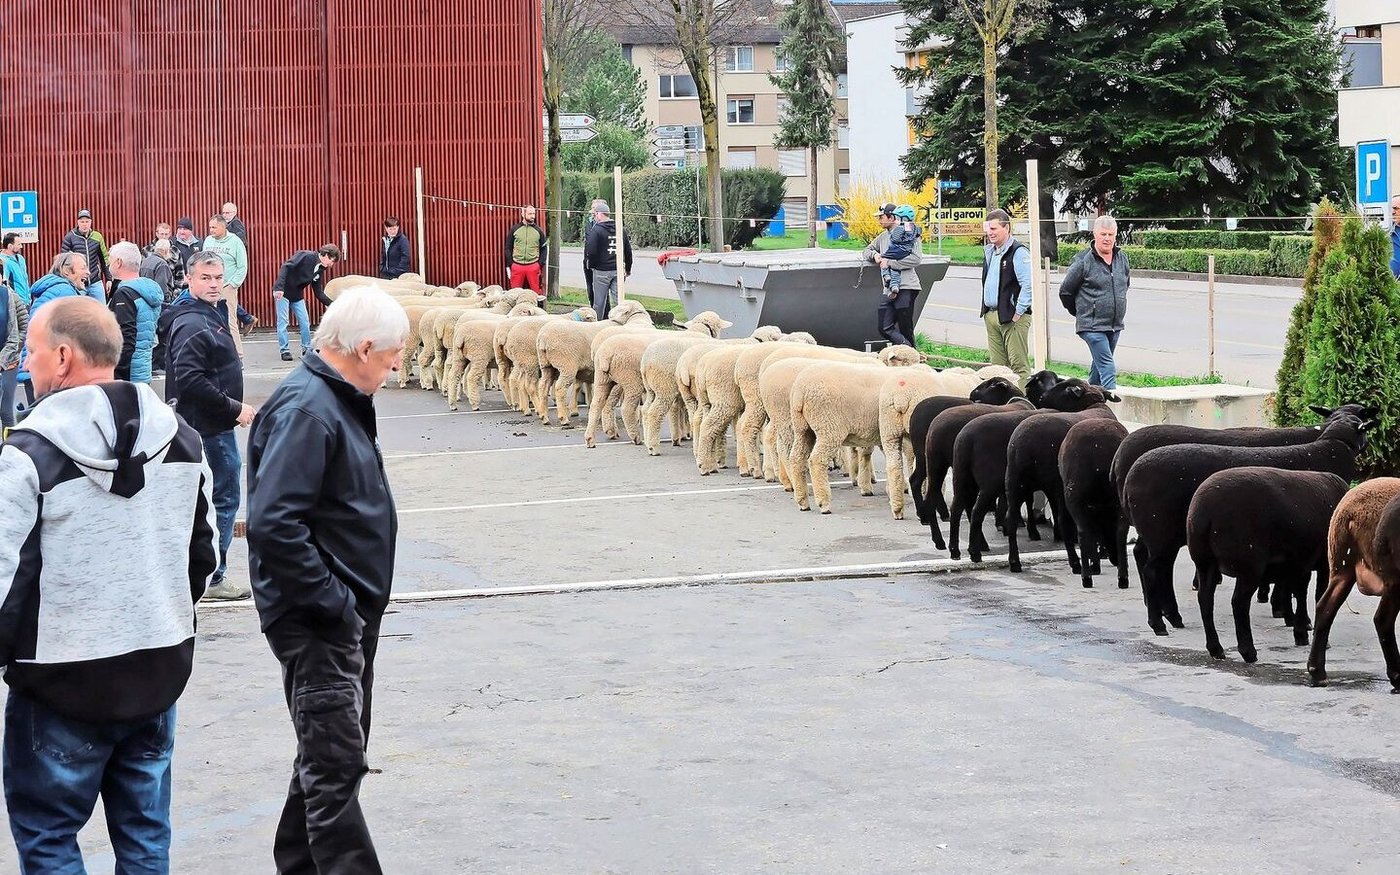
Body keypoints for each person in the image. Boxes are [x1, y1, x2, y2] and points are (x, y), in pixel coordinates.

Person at [0, 296, 217, 873]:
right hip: (157, 669)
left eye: (33, 350)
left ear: (64, 356)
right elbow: (205, 556)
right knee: (145, 836)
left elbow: (3, 578)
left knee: (48, 838)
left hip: (58, 683)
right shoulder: (184, 441)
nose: (27, 363)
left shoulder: (28, 455)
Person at [247, 285, 409, 874]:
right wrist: (333, 603)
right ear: (364, 347)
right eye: (393, 356)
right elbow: (273, 522)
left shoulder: (331, 402)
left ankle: (297, 863)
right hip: (320, 624)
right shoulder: (310, 409)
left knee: (325, 760)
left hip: (339, 620)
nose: (396, 368)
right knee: (335, 766)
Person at [162, 250, 255, 600]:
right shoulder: (191, 321)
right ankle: (213, 576)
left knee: (209, 499)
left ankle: (203, 572)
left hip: (211, 425)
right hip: (208, 428)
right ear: (189, 278)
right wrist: (234, 408)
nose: (214, 284)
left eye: (218, 277)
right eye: (206, 278)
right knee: (221, 498)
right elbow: (189, 380)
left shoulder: (213, 310)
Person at [1058, 215, 1129, 390]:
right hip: (1091, 326)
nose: (1107, 238)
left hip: (1114, 325)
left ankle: (1087, 402)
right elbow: (1065, 291)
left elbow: (1125, 284)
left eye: (1110, 234)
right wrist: (1082, 312)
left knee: (1098, 369)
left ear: (1115, 235)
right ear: (1095, 234)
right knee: (1107, 366)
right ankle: (1111, 406)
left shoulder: (1122, 259)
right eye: (1103, 234)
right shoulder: (1083, 261)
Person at [981, 208, 1033, 387]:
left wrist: (1018, 312)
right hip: (992, 315)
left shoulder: (1018, 252)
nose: (989, 233)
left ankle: (1022, 405)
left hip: (1012, 318)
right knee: (997, 368)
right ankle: (1001, 408)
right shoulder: (989, 251)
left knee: (1018, 366)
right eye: (987, 229)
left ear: (1007, 228)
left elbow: (1029, 284)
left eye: (994, 229)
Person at [863, 202, 923, 349]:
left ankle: (910, 358)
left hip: (907, 286)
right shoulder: (883, 237)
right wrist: (875, 255)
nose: (879, 220)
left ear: (892, 217)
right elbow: (866, 250)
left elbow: (916, 259)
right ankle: (908, 351)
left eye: (881, 217)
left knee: (905, 327)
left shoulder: (909, 232)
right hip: (888, 289)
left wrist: (889, 262)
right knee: (884, 327)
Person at [108, 241, 166, 384]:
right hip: (143, 369)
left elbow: (125, 339)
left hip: (128, 374)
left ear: (118, 262)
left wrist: (116, 374)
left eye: (109, 260)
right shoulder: (148, 291)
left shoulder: (125, 294)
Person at [274, 244, 340, 361]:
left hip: (297, 295)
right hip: (283, 292)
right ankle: (284, 350)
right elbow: (286, 266)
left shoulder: (320, 269)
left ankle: (307, 349)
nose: (331, 265)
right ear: (326, 254)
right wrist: (279, 287)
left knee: (305, 321)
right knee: (283, 321)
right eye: (332, 260)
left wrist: (333, 304)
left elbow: (318, 292)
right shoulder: (306, 256)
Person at [202, 215, 250, 356]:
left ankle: (238, 355)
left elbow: (242, 266)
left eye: (214, 227)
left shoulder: (235, 241)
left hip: (227, 286)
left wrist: (232, 285)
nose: (211, 230)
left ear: (223, 227)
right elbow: (204, 262)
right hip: (210, 286)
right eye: (210, 227)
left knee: (230, 321)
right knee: (210, 320)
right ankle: (215, 353)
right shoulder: (208, 241)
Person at [583, 199, 631, 320]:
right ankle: (622, 324)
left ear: (599, 214)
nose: (595, 217)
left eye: (595, 214)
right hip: (618, 269)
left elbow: (591, 251)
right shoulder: (619, 228)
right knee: (619, 302)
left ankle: (597, 326)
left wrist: (592, 265)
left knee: (599, 303)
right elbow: (628, 250)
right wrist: (628, 267)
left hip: (601, 271)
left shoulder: (597, 230)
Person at [222, 202, 259, 335]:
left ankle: (245, 319)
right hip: (228, 268)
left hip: (232, 268)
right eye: (224, 212)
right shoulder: (227, 225)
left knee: (226, 297)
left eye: (228, 213)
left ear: (234, 212)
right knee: (227, 297)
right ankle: (246, 318)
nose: (225, 215)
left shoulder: (236, 225)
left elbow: (241, 243)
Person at [58, 209, 110, 302]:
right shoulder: (70, 237)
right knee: (79, 312)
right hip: (78, 283)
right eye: (82, 222)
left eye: (87, 221)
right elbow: (64, 262)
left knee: (102, 311)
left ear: (91, 222)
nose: (84, 224)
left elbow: (104, 259)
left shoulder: (97, 236)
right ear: (78, 222)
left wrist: (109, 279)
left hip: (95, 282)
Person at [503, 204, 547, 293]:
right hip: (517, 265)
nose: (532, 216)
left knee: (536, 293)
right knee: (514, 293)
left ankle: (536, 306)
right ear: (523, 214)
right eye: (530, 214)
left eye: (534, 214)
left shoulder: (539, 231)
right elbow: (508, 248)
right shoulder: (514, 229)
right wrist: (511, 263)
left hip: (533, 265)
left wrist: (539, 264)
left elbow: (544, 248)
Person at [0, 290, 27, 428]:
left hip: (9, 362)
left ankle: (8, 446)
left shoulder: (9, 296)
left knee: (6, 411)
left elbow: (24, 325)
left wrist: (15, 348)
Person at [171, 216, 202, 290]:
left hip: (196, 283)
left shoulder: (199, 242)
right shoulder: (172, 242)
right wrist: (182, 277)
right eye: (179, 229)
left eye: (184, 229)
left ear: (191, 231)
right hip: (179, 284)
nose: (181, 232)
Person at [141, 238, 177, 302]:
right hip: (157, 301)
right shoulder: (162, 264)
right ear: (166, 251)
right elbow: (162, 287)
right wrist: (168, 300)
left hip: (145, 298)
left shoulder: (145, 261)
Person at [2, 233, 31, 304]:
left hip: (27, 301)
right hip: (15, 303)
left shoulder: (21, 258)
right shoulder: (3, 262)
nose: (21, 246)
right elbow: (5, 284)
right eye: (18, 244)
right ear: (10, 246)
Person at [1390, 195, 1400, 279]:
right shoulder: (1387, 231)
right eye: (1391, 209)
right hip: (1392, 284)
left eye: (1396, 208)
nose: (1393, 212)